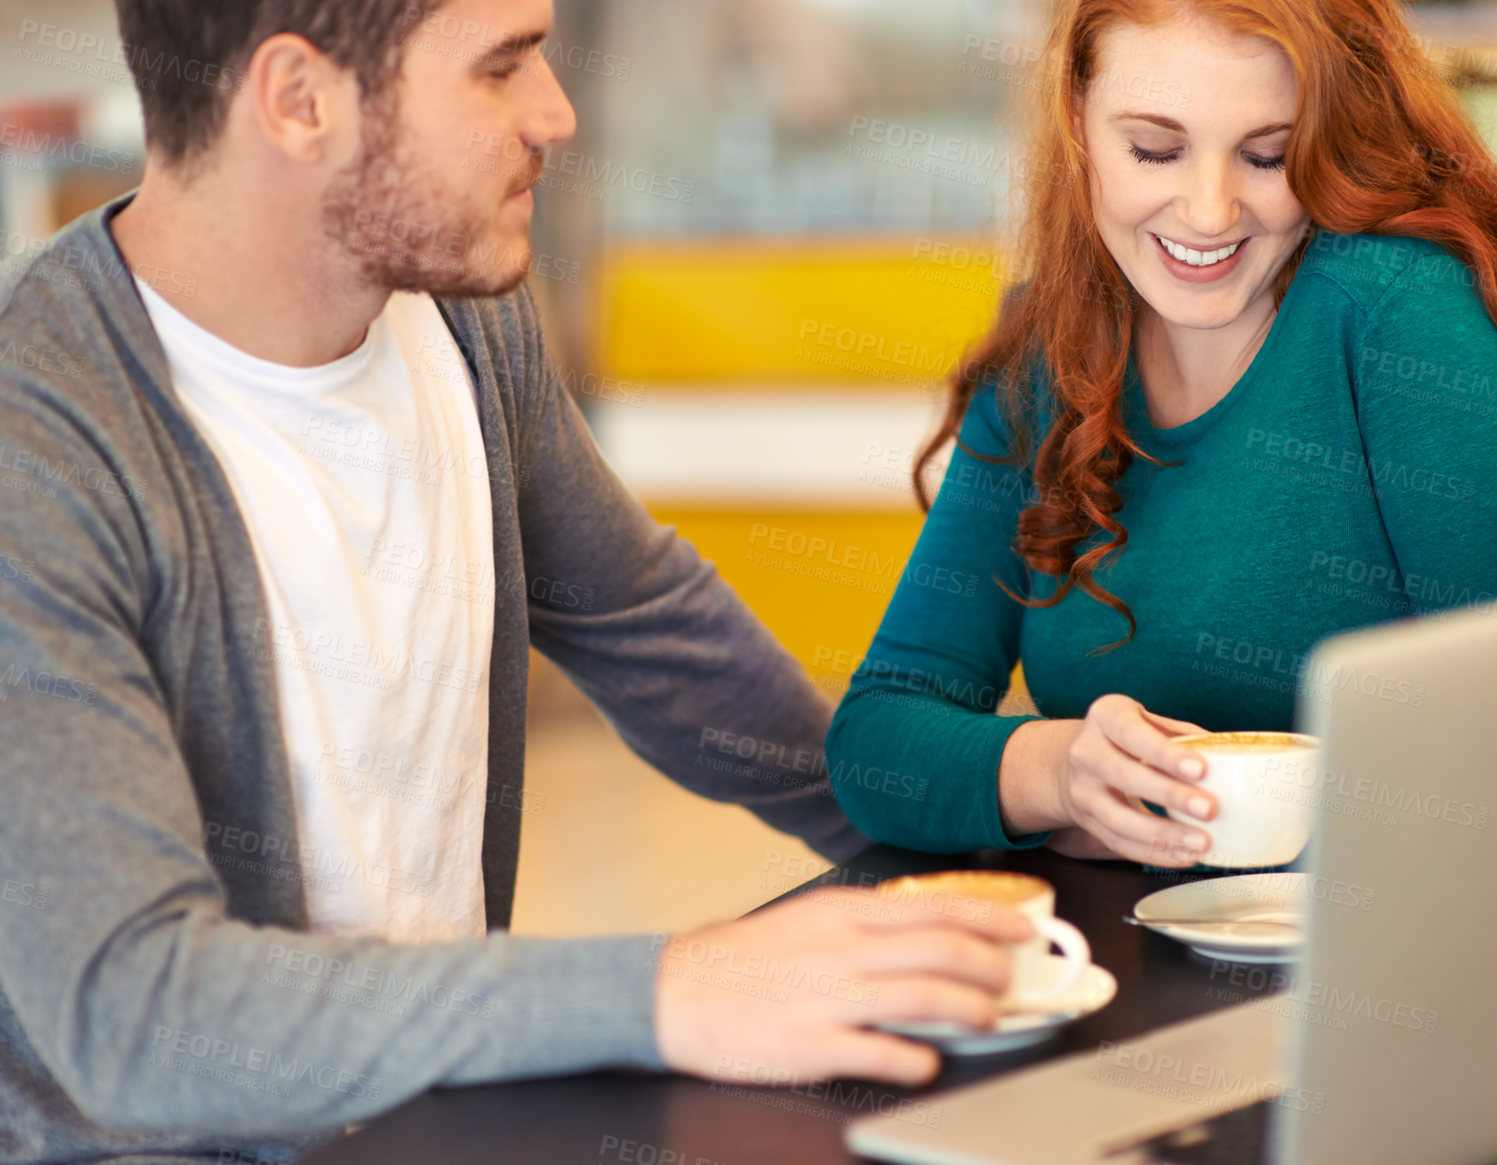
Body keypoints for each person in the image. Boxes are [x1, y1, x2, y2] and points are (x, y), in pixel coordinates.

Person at [0, 1, 1035, 1160]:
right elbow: (135, 1013)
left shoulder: (460, 322)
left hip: (439, 1128)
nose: (556, 112)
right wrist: (659, 993)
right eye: (500, 68)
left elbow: (654, 629)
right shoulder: (39, 442)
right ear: (299, 101)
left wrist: (973, 842)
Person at [826, 0, 1497, 866]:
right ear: (1076, 122)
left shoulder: (1406, 322)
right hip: (1137, 966)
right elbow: (877, 740)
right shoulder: (1049, 348)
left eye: (1269, 154)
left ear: (1331, 137)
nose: (1210, 212)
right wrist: (1059, 770)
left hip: (1396, 962)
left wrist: (1182, 831)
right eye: (1154, 148)